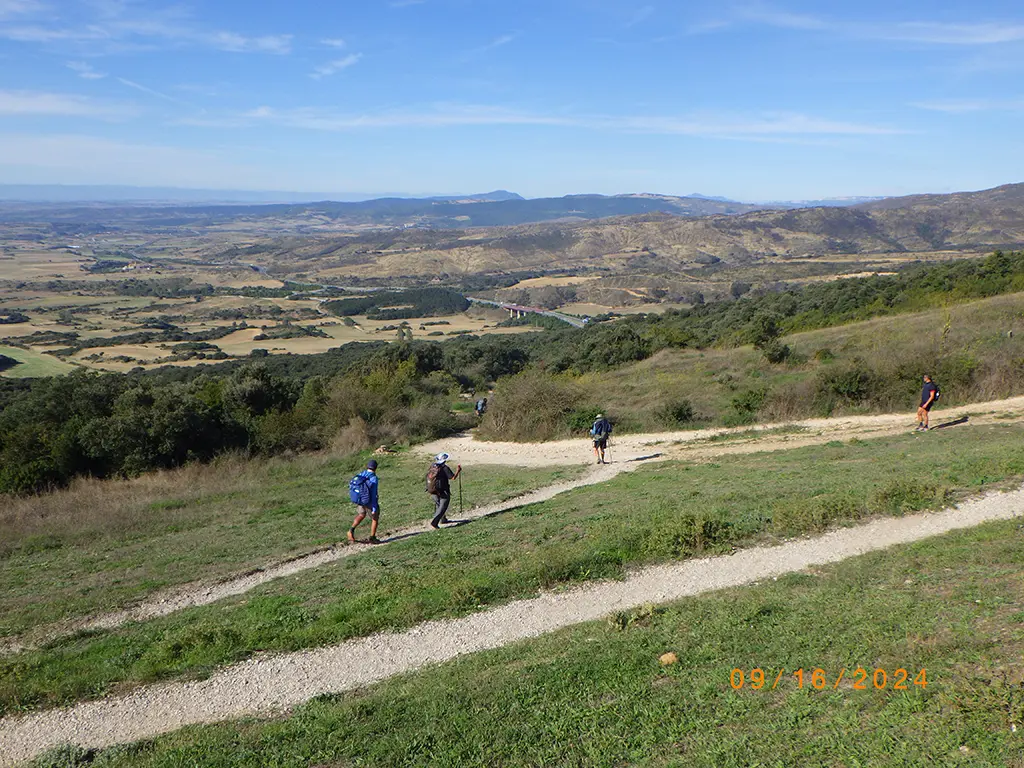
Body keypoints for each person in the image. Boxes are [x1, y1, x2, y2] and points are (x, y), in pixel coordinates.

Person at [347, 459, 381, 544]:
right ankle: (372, 538)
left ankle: (350, 531)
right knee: (375, 518)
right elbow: (373, 494)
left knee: (361, 514)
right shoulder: (373, 478)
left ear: (367, 466)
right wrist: (374, 507)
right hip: (368, 501)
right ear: (375, 468)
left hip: (360, 499)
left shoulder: (361, 474)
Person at [427, 452, 461, 529]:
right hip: (443, 491)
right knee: (443, 507)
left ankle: (443, 519)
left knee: (439, 505)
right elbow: (452, 478)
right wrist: (458, 471)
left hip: (432, 490)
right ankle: (434, 522)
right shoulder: (445, 468)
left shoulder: (432, 466)